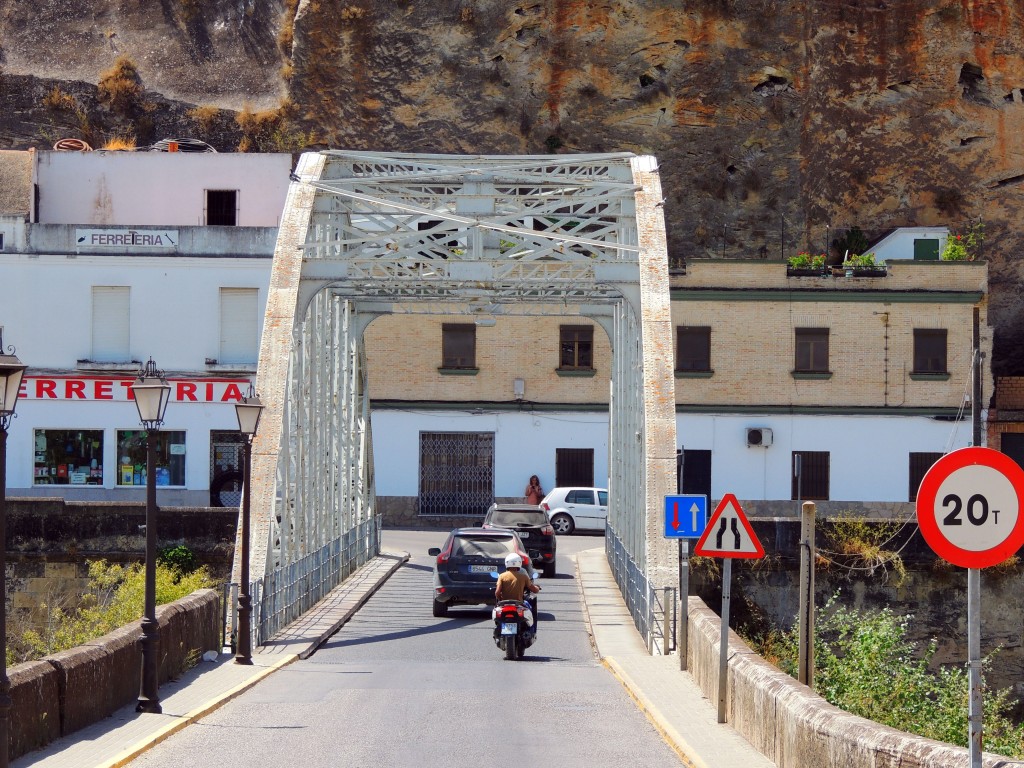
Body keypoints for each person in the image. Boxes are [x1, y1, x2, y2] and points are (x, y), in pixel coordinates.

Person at [495, 552, 541, 630]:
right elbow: (534, 590)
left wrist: (500, 599)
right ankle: (533, 628)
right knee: (531, 606)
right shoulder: (523, 577)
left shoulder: (502, 576)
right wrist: (537, 588)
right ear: (519, 563)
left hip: (504, 604)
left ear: (507, 563)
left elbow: (497, 592)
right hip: (519, 603)